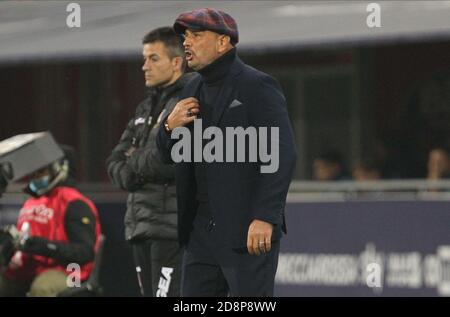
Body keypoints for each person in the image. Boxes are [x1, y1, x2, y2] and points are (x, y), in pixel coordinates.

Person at [157, 8, 297, 296]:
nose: (186, 42)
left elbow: (282, 154)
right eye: (185, 36)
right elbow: (167, 156)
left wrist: (266, 216)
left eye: (196, 35)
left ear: (223, 42)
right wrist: (168, 128)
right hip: (199, 233)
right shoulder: (190, 89)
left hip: (246, 229)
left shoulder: (257, 85)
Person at [106, 27, 193, 297]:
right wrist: (138, 166)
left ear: (177, 62)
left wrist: (135, 163)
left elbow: (172, 161)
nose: (145, 67)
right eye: (144, 59)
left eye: (154, 59)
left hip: (171, 230)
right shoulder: (144, 107)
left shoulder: (189, 102)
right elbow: (114, 161)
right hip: (139, 226)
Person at [0, 146, 102, 297]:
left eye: (41, 171)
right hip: (33, 267)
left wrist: (37, 245)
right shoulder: (32, 201)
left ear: (60, 168)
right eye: (34, 171)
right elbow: (23, 240)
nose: (35, 176)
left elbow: (84, 253)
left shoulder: (74, 203)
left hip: (72, 271)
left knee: (42, 289)